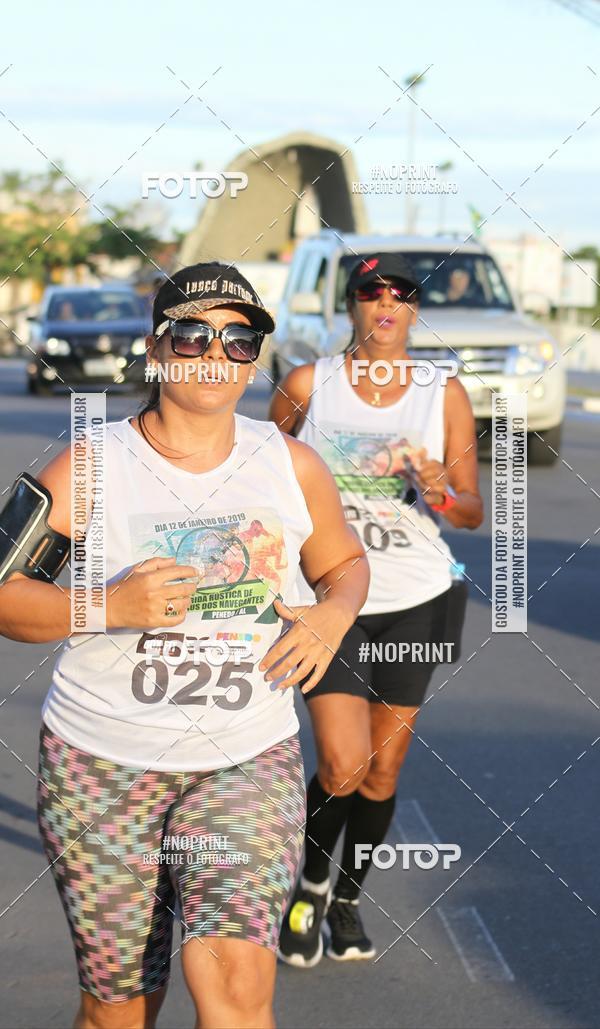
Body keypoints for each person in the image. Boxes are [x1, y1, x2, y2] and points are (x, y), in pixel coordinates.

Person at [0, 262, 369, 1029]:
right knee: (120, 1009)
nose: (215, 352)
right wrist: (109, 604)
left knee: (234, 983)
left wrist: (334, 612)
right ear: (157, 347)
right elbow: (4, 594)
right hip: (99, 763)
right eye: (194, 332)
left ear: (255, 357)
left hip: (245, 756)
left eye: (238, 339)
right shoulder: (89, 465)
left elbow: (344, 564)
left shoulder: (291, 463)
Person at [269, 252, 483, 966]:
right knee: (341, 762)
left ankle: (349, 898)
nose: (386, 302)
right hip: (330, 599)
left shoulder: (440, 392)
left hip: (417, 596)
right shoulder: (309, 383)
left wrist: (437, 487)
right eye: (371, 290)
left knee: (382, 772)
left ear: (415, 308)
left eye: (401, 292)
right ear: (351, 304)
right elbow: (261, 474)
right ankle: (308, 885)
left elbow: (470, 511)